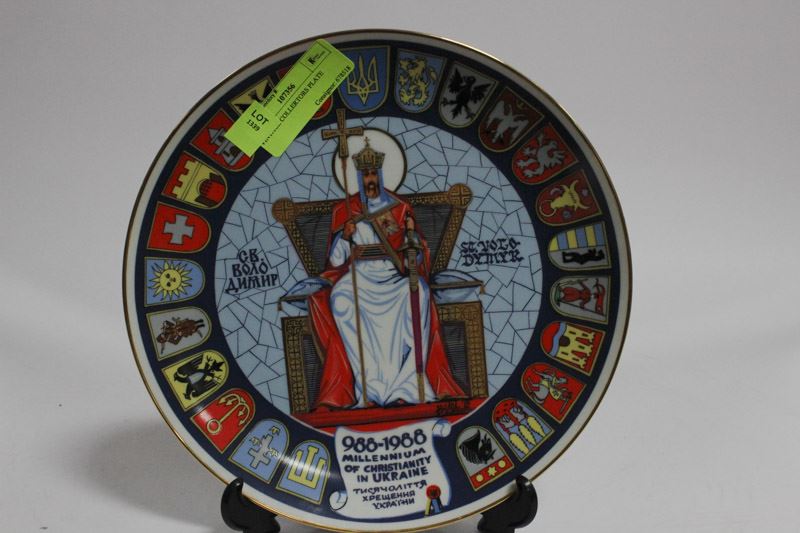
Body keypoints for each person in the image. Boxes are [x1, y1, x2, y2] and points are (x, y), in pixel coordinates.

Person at [306, 138, 464, 409]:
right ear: (358, 177)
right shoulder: (346, 210)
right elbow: (336, 260)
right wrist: (345, 237)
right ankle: (368, 390)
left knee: (420, 293)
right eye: (365, 174)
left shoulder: (398, 208)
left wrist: (411, 244)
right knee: (341, 299)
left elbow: (417, 251)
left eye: (373, 174)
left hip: (394, 275)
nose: (370, 179)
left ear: (380, 174)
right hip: (359, 277)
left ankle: (407, 387)